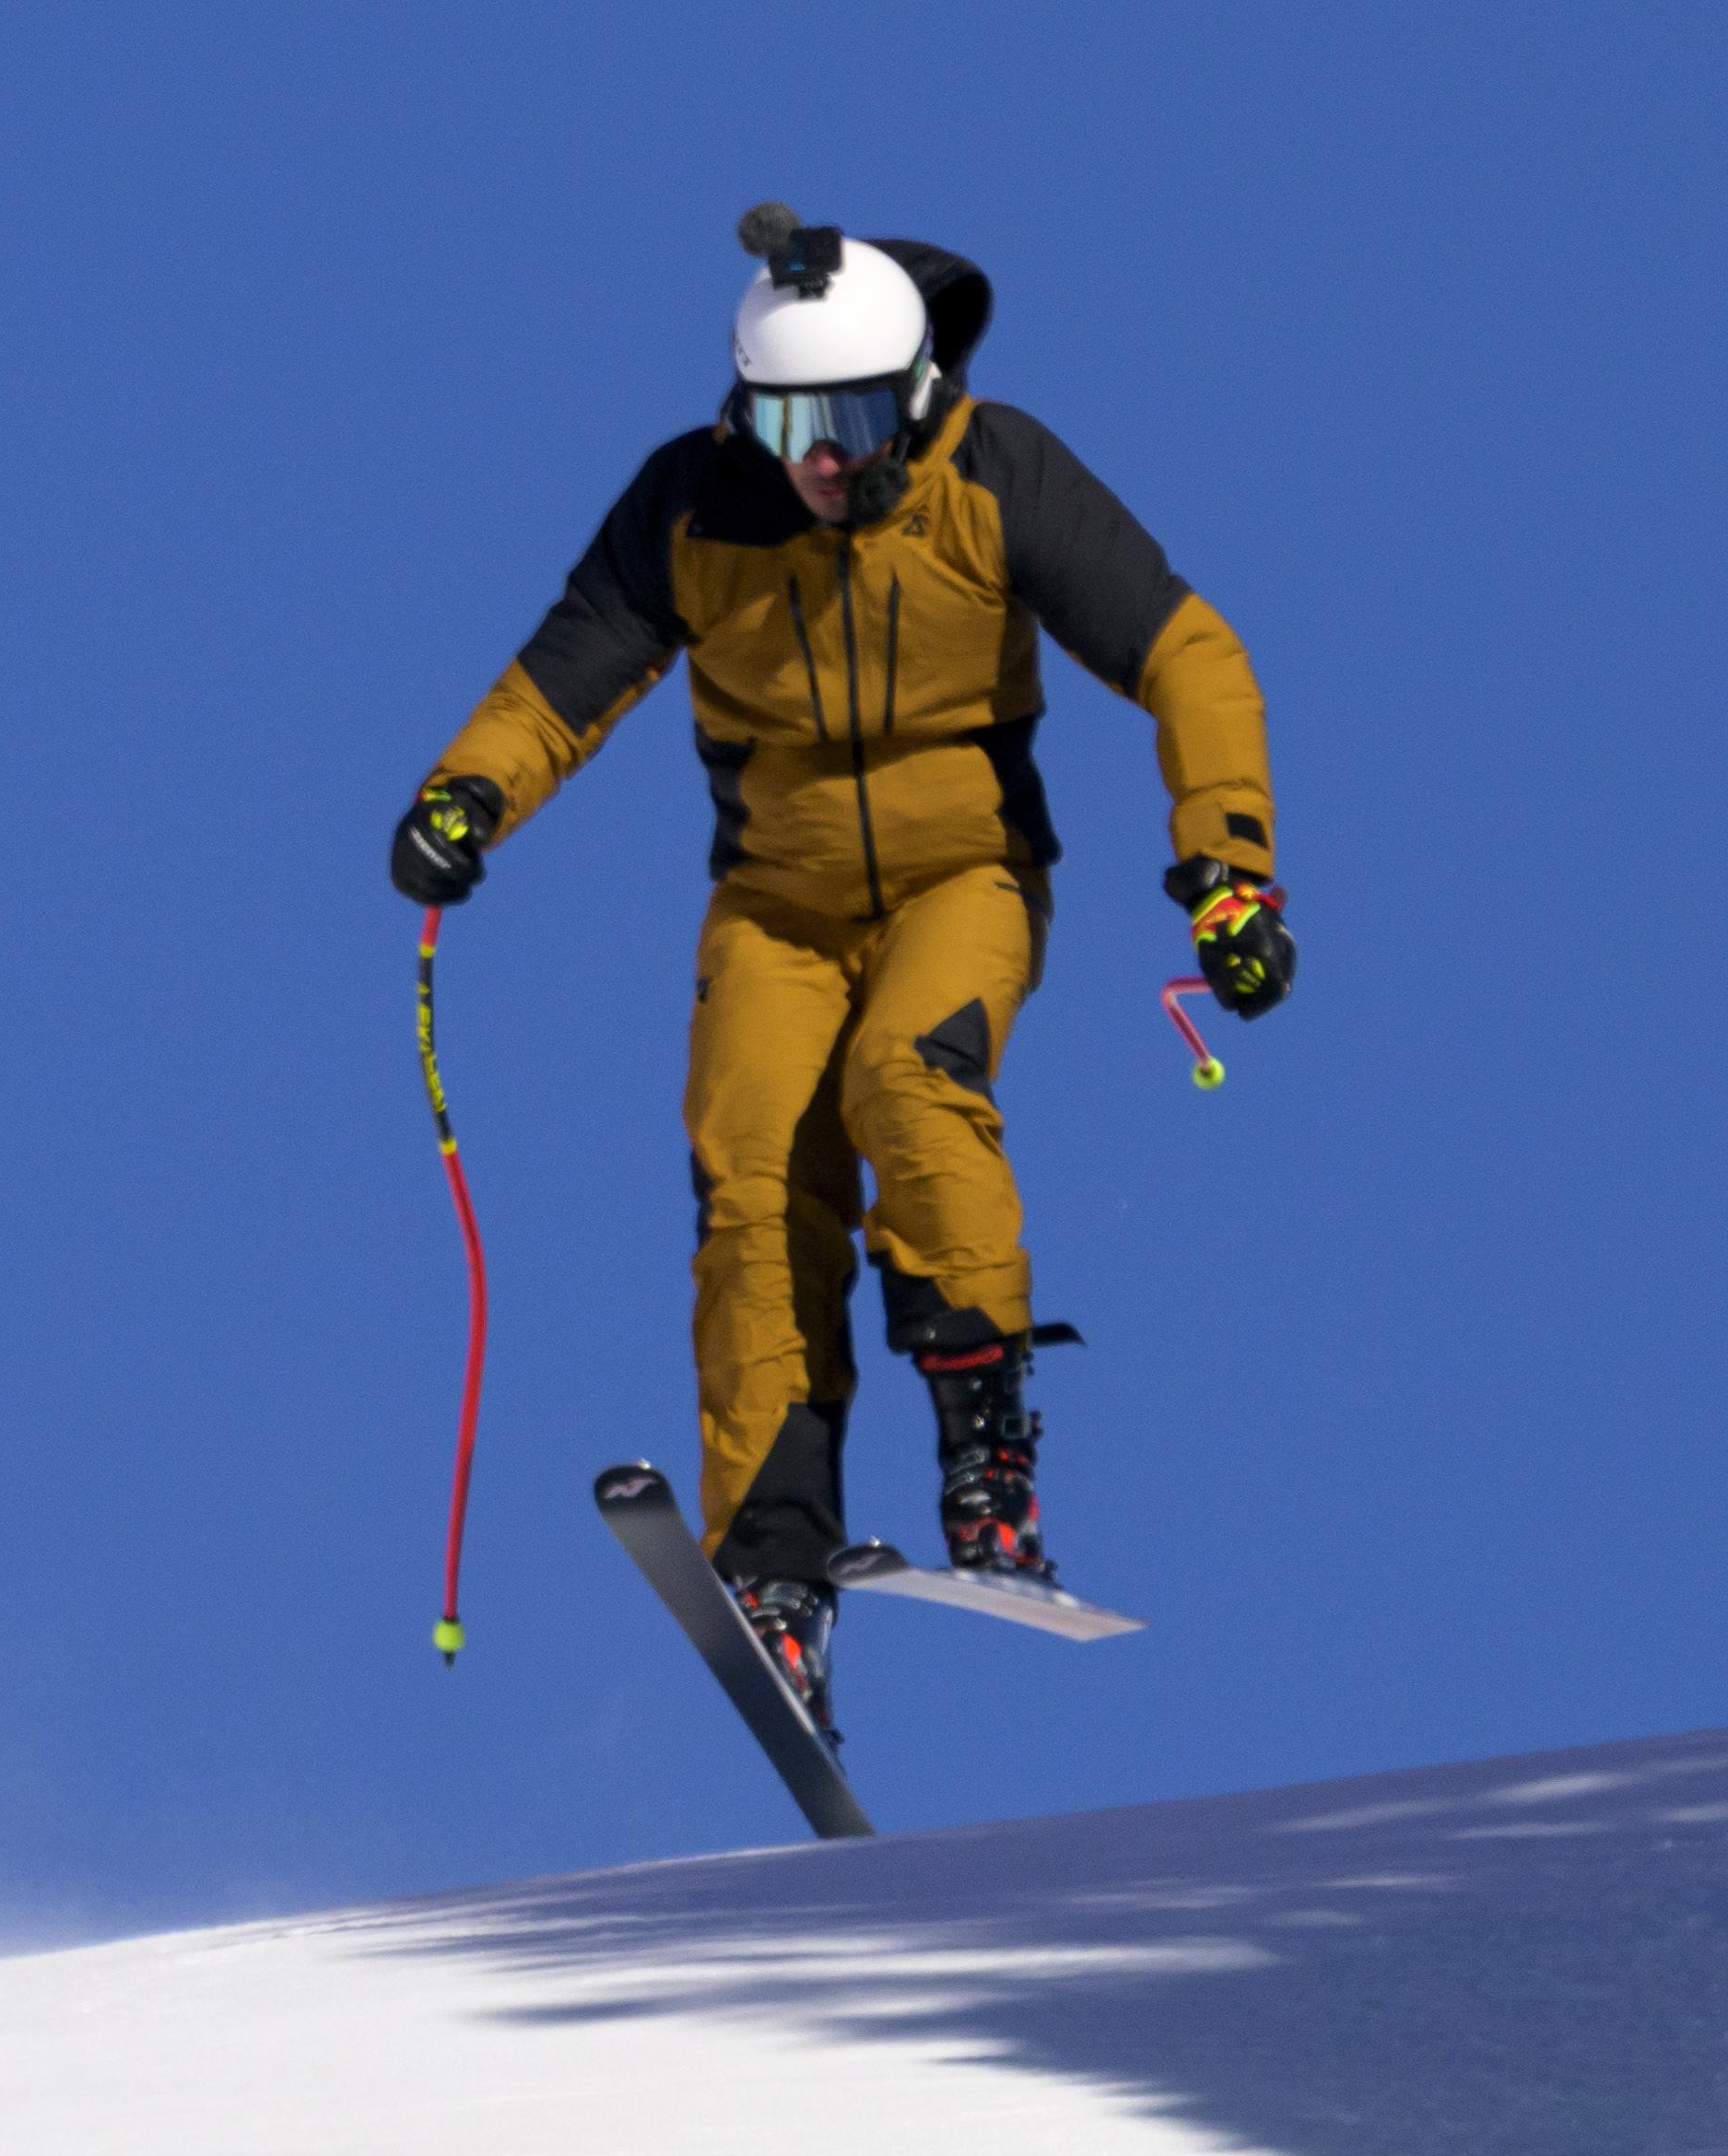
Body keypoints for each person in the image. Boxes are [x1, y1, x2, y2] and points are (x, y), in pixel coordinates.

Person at [391, 204, 1289, 1731]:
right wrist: (463, 792)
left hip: (963, 875)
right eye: (793, 420)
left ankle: (982, 1450)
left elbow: (1181, 651)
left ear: (917, 394)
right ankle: (776, 1569)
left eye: (857, 417)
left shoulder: (994, 477)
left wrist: (1227, 868)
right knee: (749, 1172)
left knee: (902, 1084)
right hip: (775, 909)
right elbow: (564, 671)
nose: (824, 457)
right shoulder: (691, 507)